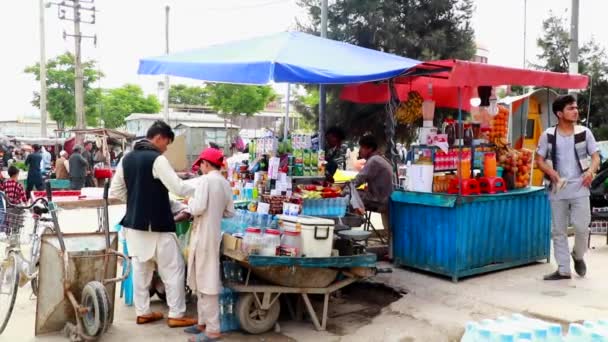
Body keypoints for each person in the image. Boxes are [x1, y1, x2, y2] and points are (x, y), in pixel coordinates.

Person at [110, 120, 196, 328]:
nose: (166, 148)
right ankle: (176, 314)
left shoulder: (126, 159)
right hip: (156, 226)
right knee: (173, 270)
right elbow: (179, 187)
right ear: (159, 138)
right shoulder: (157, 159)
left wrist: (137, 201)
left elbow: (117, 191)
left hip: (133, 225)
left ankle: (143, 312)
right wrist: (204, 185)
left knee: (142, 270)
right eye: (167, 143)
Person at [536, 94, 600, 280]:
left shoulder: (584, 132)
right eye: (570, 108)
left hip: (580, 186)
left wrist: (590, 172)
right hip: (557, 188)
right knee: (558, 230)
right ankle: (563, 269)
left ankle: (578, 255)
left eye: (576, 108)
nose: (575, 111)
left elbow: (595, 156)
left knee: (582, 228)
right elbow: (539, 160)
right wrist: (552, 174)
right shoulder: (548, 134)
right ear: (559, 113)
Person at [183, 148, 235, 341]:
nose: (200, 168)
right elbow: (230, 212)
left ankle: (212, 329)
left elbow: (197, 208)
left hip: (203, 235)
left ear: (205, 164)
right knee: (202, 276)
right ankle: (202, 322)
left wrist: (189, 202)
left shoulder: (206, 180)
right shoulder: (224, 182)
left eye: (201, 165)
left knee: (206, 281)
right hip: (214, 235)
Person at [352, 135, 395, 255]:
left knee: (349, 196)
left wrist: (343, 189)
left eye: (362, 148)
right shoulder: (380, 158)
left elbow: (358, 180)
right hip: (386, 198)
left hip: (381, 200)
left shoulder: (374, 161)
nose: (360, 151)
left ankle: (351, 230)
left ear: (369, 148)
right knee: (355, 193)